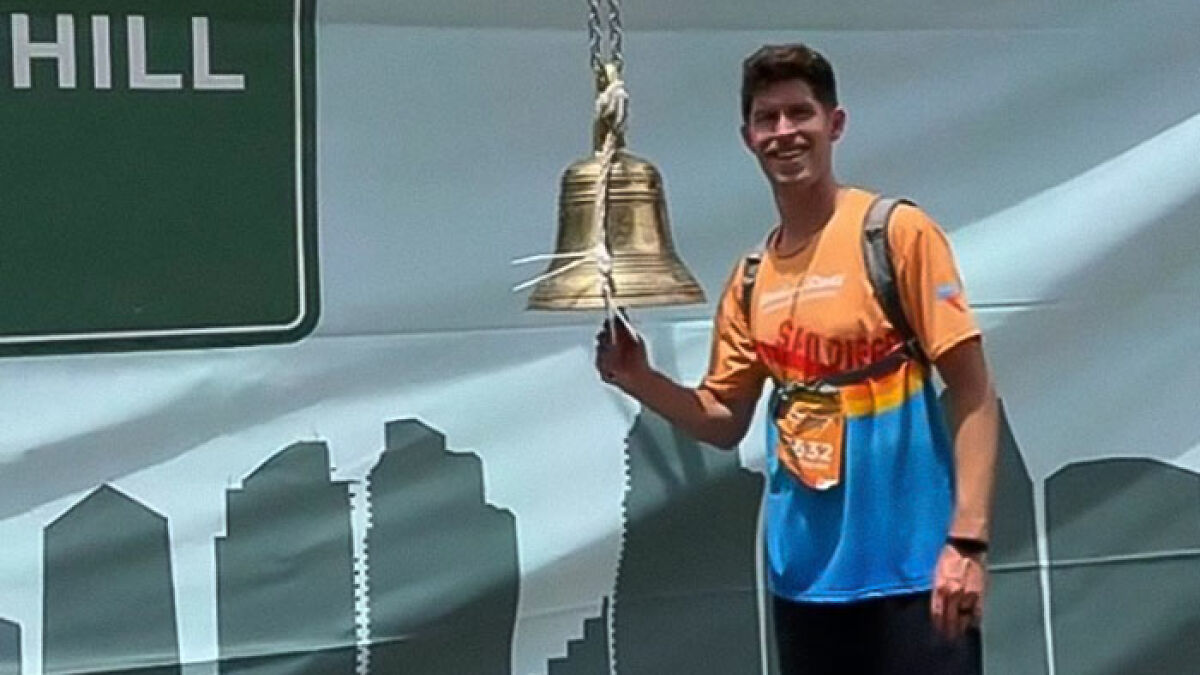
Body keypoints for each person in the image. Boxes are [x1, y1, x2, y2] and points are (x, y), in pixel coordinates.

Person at [595, 43, 999, 674]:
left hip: (916, 575)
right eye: (767, 119)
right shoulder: (752, 278)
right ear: (748, 137)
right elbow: (722, 419)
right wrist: (638, 377)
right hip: (804, 585)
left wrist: (967, 544)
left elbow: (973, 391)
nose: (785, 132)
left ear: (833, 124)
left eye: (799, 114)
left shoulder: (894, 233)